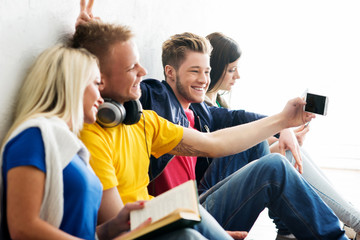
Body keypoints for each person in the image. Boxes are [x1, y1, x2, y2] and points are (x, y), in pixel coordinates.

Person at [0, 44, 204, 240]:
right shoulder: (33, 136)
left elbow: (81, 231)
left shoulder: (71, 146)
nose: (100, 97)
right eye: (96, 84)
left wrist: (111, 228)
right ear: (73, 84)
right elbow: (23, 228)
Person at [203, 31, 360, 239]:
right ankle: (354, 222)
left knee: (287, 151)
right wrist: (281, 127)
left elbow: (258, 148)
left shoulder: (220, 105)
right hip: (215, 194)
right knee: (281, 155)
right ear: (213, 69)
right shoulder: (206, 111)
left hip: (226, 184)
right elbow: (238, 144)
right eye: (231, 69)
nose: (237, 76)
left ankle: (346, 221)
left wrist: (288, 136)